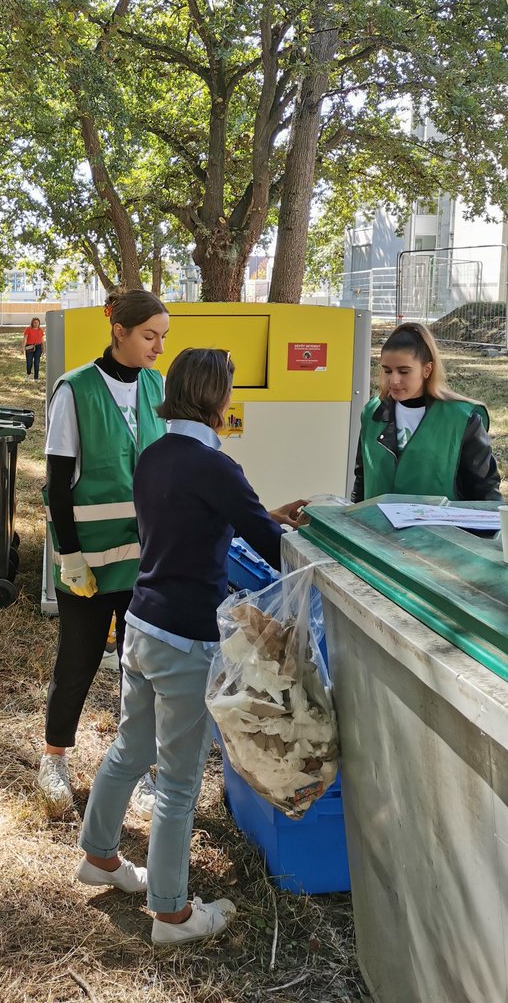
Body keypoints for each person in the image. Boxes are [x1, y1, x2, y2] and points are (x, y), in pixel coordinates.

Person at [74, 347, 307, 945]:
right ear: (218, 399)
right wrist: (283, 528)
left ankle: (98, 855)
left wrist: (255, 514)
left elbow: (192, 522)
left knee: (129, 748)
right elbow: (268, 541)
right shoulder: (215, 466)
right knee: (178, 782)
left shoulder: (155, 454)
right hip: (186, 639)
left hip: (142, 624)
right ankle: (172, 913)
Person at [37, 288, 169, 817]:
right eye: (149, 336)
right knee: (79, 658)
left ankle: (134, 769)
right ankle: (54, 760)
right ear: (120, 331)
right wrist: (68, 555)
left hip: (146, 560)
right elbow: (57, 482)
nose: (158, 347)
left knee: (138, 668)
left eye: (162, 337)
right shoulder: (75, 390)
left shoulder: (158, 386)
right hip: (88, 561)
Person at [352, 321, 501, 502]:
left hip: (440, 529)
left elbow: (484, 491)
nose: (394, 380)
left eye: (404, 371)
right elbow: (362, 479)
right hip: (373, 526)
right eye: (387, 370)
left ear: (427, 369)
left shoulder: (463, 419)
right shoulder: (372, 412)